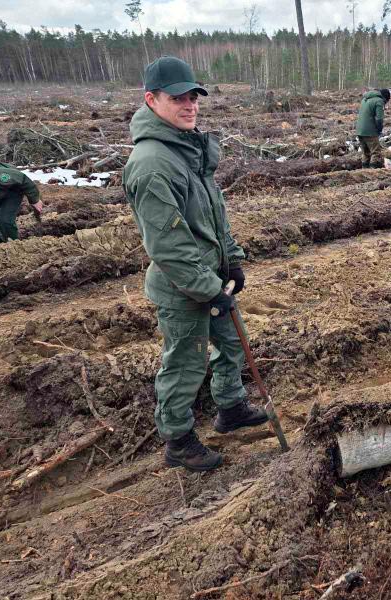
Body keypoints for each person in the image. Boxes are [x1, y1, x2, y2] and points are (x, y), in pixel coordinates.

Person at [123, 56, 269, 472]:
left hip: (212, 277)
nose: (189, 105)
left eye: (193, 97)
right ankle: (179, 440)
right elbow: (169, 247)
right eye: (177, 98)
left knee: (232, 344)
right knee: (186, 364)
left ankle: (231, 409)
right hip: (183, 287)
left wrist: (232, 263)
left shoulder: (187, 150)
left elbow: (212, 214)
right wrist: (208, 291)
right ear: (151, 100)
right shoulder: (152, 163)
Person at [356, 88, 391, 168]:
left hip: (359, 130)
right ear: (385, 98)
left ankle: (364, 172)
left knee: (366, 153)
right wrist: (379, 130)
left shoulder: (365, 99)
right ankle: (372, 173)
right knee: (376, 152)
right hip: (370, 131)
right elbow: (379, 119)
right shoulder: (379, 101)